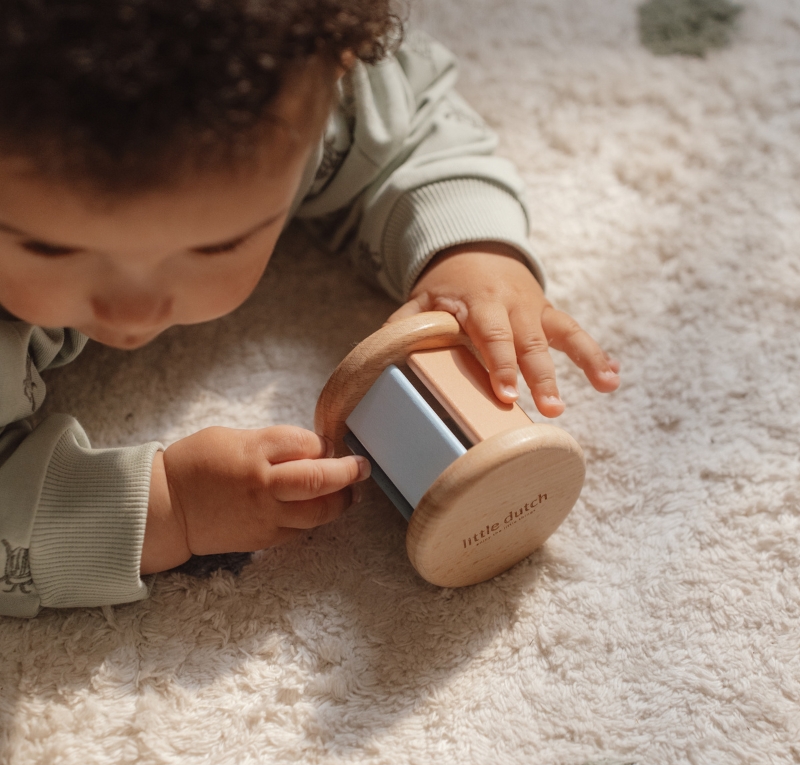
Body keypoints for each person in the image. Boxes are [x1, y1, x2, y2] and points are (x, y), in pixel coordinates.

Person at [0, 0, 620, 617]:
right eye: (48, 248)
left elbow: (413, 138)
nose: (131, 312)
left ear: (337, 77)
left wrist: (470, 253)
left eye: (216, 243)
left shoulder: (294, 87)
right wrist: (167, 507)